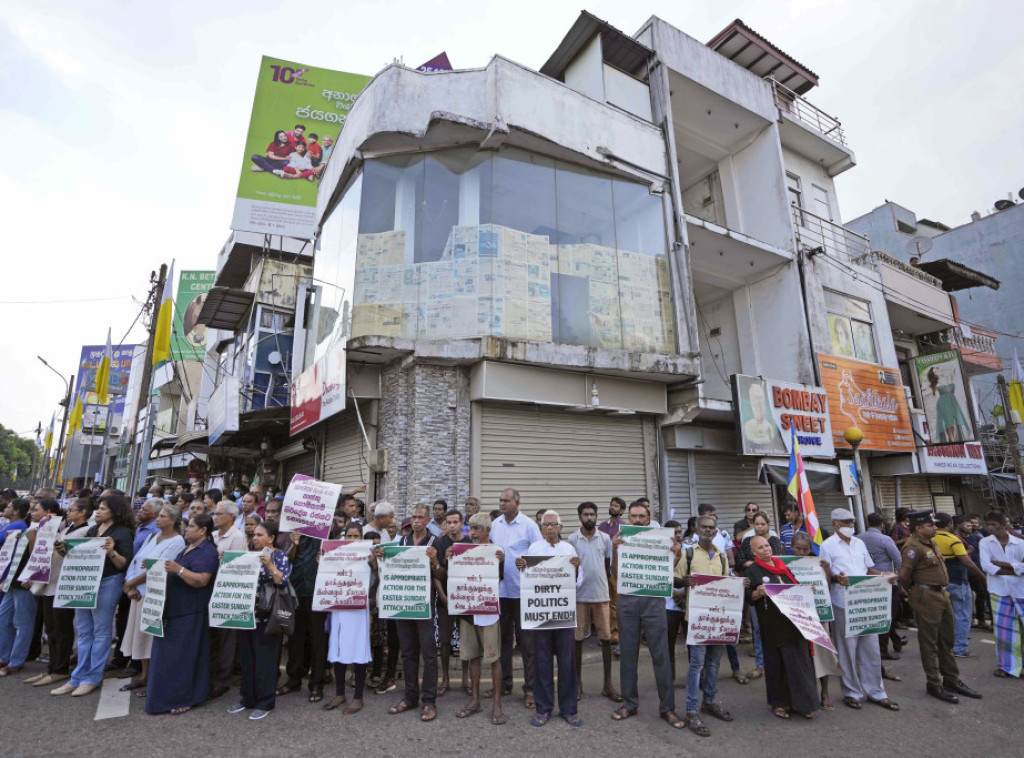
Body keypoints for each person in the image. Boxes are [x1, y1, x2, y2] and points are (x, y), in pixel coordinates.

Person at [51, 493, 135, 697]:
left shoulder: (123, 532)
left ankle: (93, 676)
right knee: (84, 630)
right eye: (98, 508)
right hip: (86, 582)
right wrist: (64, 551)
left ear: (114, 511)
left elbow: (123, 564)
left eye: (103, 508)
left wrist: (112, 551)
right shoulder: (93, 529)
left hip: (108, 582)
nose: (98, 511)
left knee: (101, 631)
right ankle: (78, 677)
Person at [611, 501, 685, 729]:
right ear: (628, 518)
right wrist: (614, 549)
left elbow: (664, 572)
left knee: (661, 654)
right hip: (628, 601)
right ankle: (630, 703)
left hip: (653, 601)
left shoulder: (660, 537)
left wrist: (677, 555)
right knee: (628, 655)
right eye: (633, 516)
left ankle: (668, 708)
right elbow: (614, 573)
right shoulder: (621, 538)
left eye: (642, 516)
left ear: (648, 517)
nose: (637, 520)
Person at [818, 508, 898, 711]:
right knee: (847, 650)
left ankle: (877, 692)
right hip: (843, 602)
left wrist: (883, 575)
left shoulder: (859, 543)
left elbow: (868, 569)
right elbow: (825, 577)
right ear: (835, 524)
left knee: (871, 649)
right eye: (846, 522)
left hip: (866, 602)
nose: (850, 526)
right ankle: (851, 692)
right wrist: (837, 578)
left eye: (852, 522)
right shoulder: (827, 546)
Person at [900, 509, 982, 703]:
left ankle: (951, 680)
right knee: (930, 642)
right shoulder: (912, 546)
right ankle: (934, 683)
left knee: (947, 639)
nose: (934, 527)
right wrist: (914, 593)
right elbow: (904, 576)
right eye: (930, 525)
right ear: (919, 528)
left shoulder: (933, 542)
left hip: (942, 594)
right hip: (926, 595)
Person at [146, 512, 219, 714]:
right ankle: (165, 697)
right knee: (170, 659)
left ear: (203, 531)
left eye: (191, 527)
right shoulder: (189, 547)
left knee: (185, 658)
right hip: (174, 609)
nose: (186, 530)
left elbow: (201, 580)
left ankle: (185, 697)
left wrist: (178, 569)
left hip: (190, 611)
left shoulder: (207, 551)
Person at [517, 511, 583, 727]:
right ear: (541, 528)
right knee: (542, 663)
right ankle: (543, 709)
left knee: (567, 664)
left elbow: (578, 582)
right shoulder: (534, 549)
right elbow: (529, 582)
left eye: (553, 525)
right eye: (545, 525)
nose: (549, 528)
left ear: (560, 528)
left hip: (563, 615)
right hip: (542, 616)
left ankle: (569, 710)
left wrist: (575, 569)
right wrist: (521, 568)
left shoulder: (568, 549)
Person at [674, 514, 734, 736]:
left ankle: (708, 701)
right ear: (697, 530)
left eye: (712, 527)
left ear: (716, 531)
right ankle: (691, 711)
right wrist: (684, 582)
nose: (708, 530)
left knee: (715, 662)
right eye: (704, 527)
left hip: (718, 619)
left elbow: (727, 586)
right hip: (698, 619)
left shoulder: (722, 557)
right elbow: (674, 579)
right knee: (697, 665)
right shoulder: (688, 554)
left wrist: (740, 585)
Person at [747, 535, 819, 719]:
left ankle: (804, 703)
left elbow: (792, 587)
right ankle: (780, 704)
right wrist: (758, 592)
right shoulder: (752, 571)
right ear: (754, 552)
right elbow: (748, 596)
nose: (766, 549)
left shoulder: (781, 565)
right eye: (761, 547)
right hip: (772, 625)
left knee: (799, 663)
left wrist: (805, 589)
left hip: (794, 622)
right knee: (776, 664)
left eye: (767, 545)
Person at [380, 504, 441, 721]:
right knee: (408, 653)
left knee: (429, 654)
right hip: (403, 604)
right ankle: (410, 696)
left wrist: (434, 561)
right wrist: (381, 556)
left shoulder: (436, 542)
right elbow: (393, 569)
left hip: (425, 607)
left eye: (420, 517)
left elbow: (443, 573)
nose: (416, 520)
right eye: (413, 517)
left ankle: (429, 701)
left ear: (427, 520)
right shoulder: (402, 542)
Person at [226, 521, 291, 720]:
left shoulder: (279, 556)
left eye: (260, 535)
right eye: (254, 534)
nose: (255, 538)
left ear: (271, 538)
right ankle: (247, 698)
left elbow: (282, 579)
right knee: (247, 659)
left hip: (267, 617)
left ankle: (265, 702)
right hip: (247, 614)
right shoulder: (249, 555)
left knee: (266, 661)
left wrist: (269, 564)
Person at [118, 504, 185, 694]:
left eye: (162, 516)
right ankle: (145, 675)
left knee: (151, 638)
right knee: (140, 636)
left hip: (152, 592)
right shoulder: (152, 536)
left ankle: (155, 678)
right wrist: (128, 584)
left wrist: (131, 583)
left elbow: (156, 568)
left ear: (172, 520)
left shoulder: (177, 541)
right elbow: (137, 560)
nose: (158, 519)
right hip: (137, 592)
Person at [25, 498, 91, 687]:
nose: (68, 513)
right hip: (50, 583)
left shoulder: (85, 531)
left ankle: (60, 668)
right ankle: (52, 667)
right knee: (51, 628)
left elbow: (73, 555)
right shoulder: (65, 529)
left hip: (65, 585)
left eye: (72, 510)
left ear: (82, 513)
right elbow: (41, 553)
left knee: (62, 629)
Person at [489, 488, 542, 705]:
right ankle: (504, 684)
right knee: (503, 643)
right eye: (500, 500)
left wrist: (525, 561)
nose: (502, 504)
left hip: (522, 592)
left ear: (517, 503)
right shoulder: (495, 525)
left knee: (528, 643)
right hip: (501, 592)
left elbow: (540, 554)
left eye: (506, 500)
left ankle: (530, 689)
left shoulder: (529, 525)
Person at [454, 513, 506, 725]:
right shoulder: (462, 549)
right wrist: (451, 556)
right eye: (471, 529)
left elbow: (499, 578)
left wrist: (500, 563)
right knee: (472, 656)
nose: (473, 533)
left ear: (487, 531)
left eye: (477, 529)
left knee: (494, 659)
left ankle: (496, 703)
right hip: (468, 613)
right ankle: (475, 700)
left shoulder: (497, 551)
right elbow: (455, 576)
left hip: (489, 612)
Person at [567, 502, 621, 702]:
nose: (589, 517)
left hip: (601, 596)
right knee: (578, 640)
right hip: (579, 597)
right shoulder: (572, 539)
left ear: (596, 516)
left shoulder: (605, 539)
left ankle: (608, 684)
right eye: (585, 514)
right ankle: (577, 683)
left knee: (606, 639)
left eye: (592, 514)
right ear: (579, 516)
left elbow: (608, 567)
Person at [0, 498, 58, 676]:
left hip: (26, 582)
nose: (32, 511)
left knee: (22, 623)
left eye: (36, 509)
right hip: (14, 580)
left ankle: (16, 661)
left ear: (48, 513)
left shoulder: (49, 530)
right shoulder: (28, 526)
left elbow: (40, 557)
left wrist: (32, 577)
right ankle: (4, 657)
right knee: (4, 619)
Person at [323, 528, 376, 715]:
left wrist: (374, 563)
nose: (353, 539)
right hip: (339, 606)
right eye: (350, 536)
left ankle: (358, 697)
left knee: (358, 650)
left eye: (356, 536)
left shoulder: (369, 554)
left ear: (361, 538)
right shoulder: (337, 554)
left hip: (359, 607)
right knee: (338, 648)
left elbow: (378, 578)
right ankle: (339, 694)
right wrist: (322, 562)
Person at [791, 532, 841, 710]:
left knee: (822, 654)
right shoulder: (786, 565)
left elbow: (825, 588)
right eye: (798, 549)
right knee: (800, 657)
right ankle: (805, 694)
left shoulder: (817, 564)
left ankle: (825, 691)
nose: (802, 552)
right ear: (791, 548)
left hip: (819, 613)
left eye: (805, 549)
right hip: (797, 616)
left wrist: (827, 571)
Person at [933, 512, 987, 658]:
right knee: (962, 615)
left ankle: (943, 646)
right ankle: (959, 648)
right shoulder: (953, 539)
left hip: (939, 583)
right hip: (958, 583)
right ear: (950, 524)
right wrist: (983, 577)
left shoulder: (929, 539)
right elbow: (967, 562)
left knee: (944, 617)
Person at [209, 499, 248, 700]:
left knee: (226, 639)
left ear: (231, 517)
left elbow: (237, 567)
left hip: (226, 592)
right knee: (214, 637)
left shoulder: (238, 537)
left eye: (219, 514)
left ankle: (222, 680)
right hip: (209, 590)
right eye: (215, 514)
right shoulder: (213, 535)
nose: (215, 517)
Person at [857, 512, 906, 667]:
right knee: (887, 616)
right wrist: (905, 584)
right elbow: (899, 561)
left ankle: (895, 640)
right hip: (886, 582)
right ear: (882, 525)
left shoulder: (858, 539)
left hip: (866, 583)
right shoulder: (885, 539)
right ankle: (883, 650)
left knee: (875, 616)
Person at [979, 510, 1024, 678]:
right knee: (1004, 631)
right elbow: (987, 566)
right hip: (999, 592)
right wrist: (1015, 568)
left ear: (1004, 525)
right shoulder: (985, 543)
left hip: (1021, 591)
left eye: (994, 525)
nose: (991, 528)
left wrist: (1001, 565)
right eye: (988, 525)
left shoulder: (1020, 543)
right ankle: (1008, 668)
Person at [736, 512, 781, 679]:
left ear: (768, 525)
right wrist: (757, 563)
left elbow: (774, 560)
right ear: (752, 525)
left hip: (776, 591)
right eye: (757, 524)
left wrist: (754, 562)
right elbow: (740, 561)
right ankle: (761, 665)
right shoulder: (747, 541)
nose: (760, 527)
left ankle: (777, 664)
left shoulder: (774, 540)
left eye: (763, 524)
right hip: (755, 589)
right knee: (757, 629)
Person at [432, 509, 471, 697]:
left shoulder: (470, 543)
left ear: (462, 523)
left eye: (456, 522)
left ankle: (466, 678)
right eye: (449, 522)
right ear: (445, 524)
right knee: (445, 641)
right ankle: (445, 678)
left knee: (465, 640)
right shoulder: (440, 543)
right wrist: (443, 597)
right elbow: (436, 574)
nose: (452, 526)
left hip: (465, 599)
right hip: (445, 600)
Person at [599, 496, 627, 652]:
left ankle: (616, 638)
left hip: (617, 570)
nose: (613, 507)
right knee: (605, 603)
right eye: (611, 504)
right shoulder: (602, 526)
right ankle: (606, 635)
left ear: (621, 511)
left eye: (616, 506)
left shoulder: (624, 527)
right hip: (603, 569)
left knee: (616, 604)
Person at [663, 520, 688, 682]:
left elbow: (693, 575)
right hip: (668, 605)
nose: (678, 535)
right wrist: (673, 593)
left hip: (687, 604)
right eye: (674, 532)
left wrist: (683, 593)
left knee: (692, 644)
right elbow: (659, 576)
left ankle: (697, 678)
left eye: (679, 531)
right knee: (668, 645)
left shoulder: (690, 551)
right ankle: (669, 679)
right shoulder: (661, 552)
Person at [959, 515, 992, 631]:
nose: (970, 527)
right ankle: (980, 619)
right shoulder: (959, 540)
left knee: (987, 593)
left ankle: (987, 619)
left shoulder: (976, 537)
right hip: (970, 570)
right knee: (981, 592)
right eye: (967, 525)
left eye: (971, 525)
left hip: (980, 567)